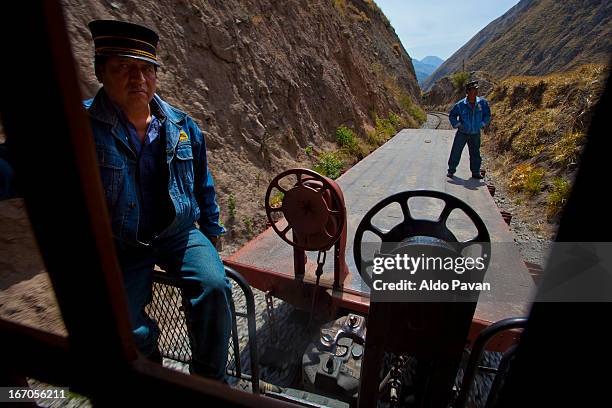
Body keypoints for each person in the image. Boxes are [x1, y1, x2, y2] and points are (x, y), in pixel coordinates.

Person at [83, 20, 231, 381]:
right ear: (100, 71)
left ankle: (210, 380)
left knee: (215, 288)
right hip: (122, 243)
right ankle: (152, 375)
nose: (138, 79)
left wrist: (211, 233)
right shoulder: (81, 125)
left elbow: (202, 184)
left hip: (178, 232)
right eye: (123, 68)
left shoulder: (181, 125)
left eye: (147, 69)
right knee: (128, 329)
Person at [446, 80, 491, 179]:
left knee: (475, 153)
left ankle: (475, 172)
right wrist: (458, 125)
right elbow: (452, 116)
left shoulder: (482, 103)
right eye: (473, 90)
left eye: (476, 89)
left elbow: (487, 115)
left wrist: (482, 124)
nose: (476, 92)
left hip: (475, 133)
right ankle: (451, 170)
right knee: (456, 151)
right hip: (462, 133)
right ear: (468, 91)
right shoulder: (460, 104)